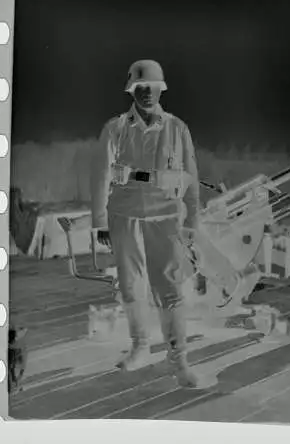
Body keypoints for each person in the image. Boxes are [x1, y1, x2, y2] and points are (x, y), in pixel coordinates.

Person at [90, 59, 204, 388]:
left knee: (169, 287)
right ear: (132, 91)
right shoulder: (115, 128)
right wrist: (100, 222)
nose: (146, 93)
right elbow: (99, 175)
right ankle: (140, 347)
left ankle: (178, 359)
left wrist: (192, 219)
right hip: (124, 217)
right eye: (140, 88)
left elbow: (191, 178)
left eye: (151, 87)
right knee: (130, 286)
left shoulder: (177, 128)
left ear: (160, 89)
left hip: (165, 218)